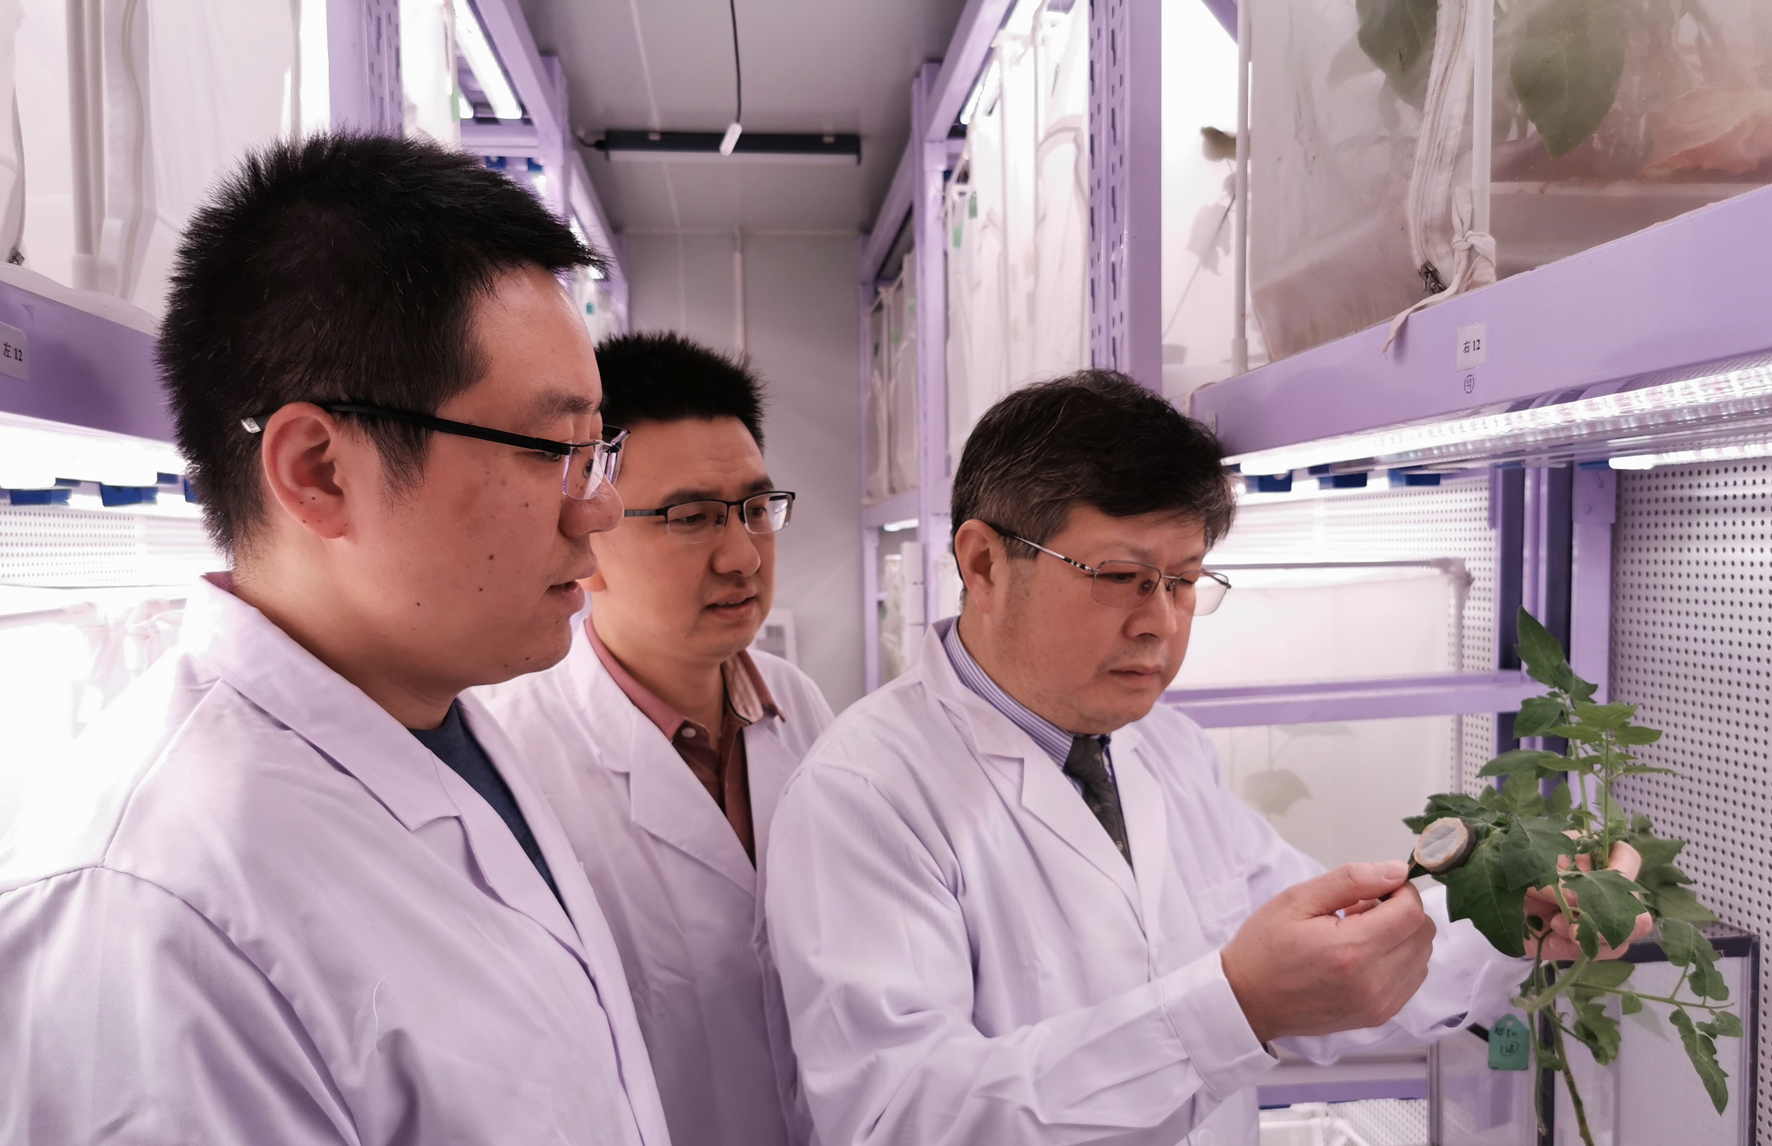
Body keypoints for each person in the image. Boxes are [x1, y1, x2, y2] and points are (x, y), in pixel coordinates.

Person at [763, 370, 1649, 1146]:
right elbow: (900, 1121)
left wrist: (1511, 927)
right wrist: (1232, 1008)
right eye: (1120, 577)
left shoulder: (1162, 747)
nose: (1159, 622)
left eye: (1185, 581)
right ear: (984, 563)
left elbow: (1327, 965)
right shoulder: (864, 795)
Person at [0, 135, 669, 1145]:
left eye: (594, 449)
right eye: (550, 449)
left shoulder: (440, 714)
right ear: (318, 471)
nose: (601, 508)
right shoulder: (151, 917)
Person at [484, 331, 833, 1146]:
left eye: (755, 510)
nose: (742, 556)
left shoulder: (801, 707)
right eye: (691, 518)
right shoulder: (513, 757)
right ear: (588, 534)